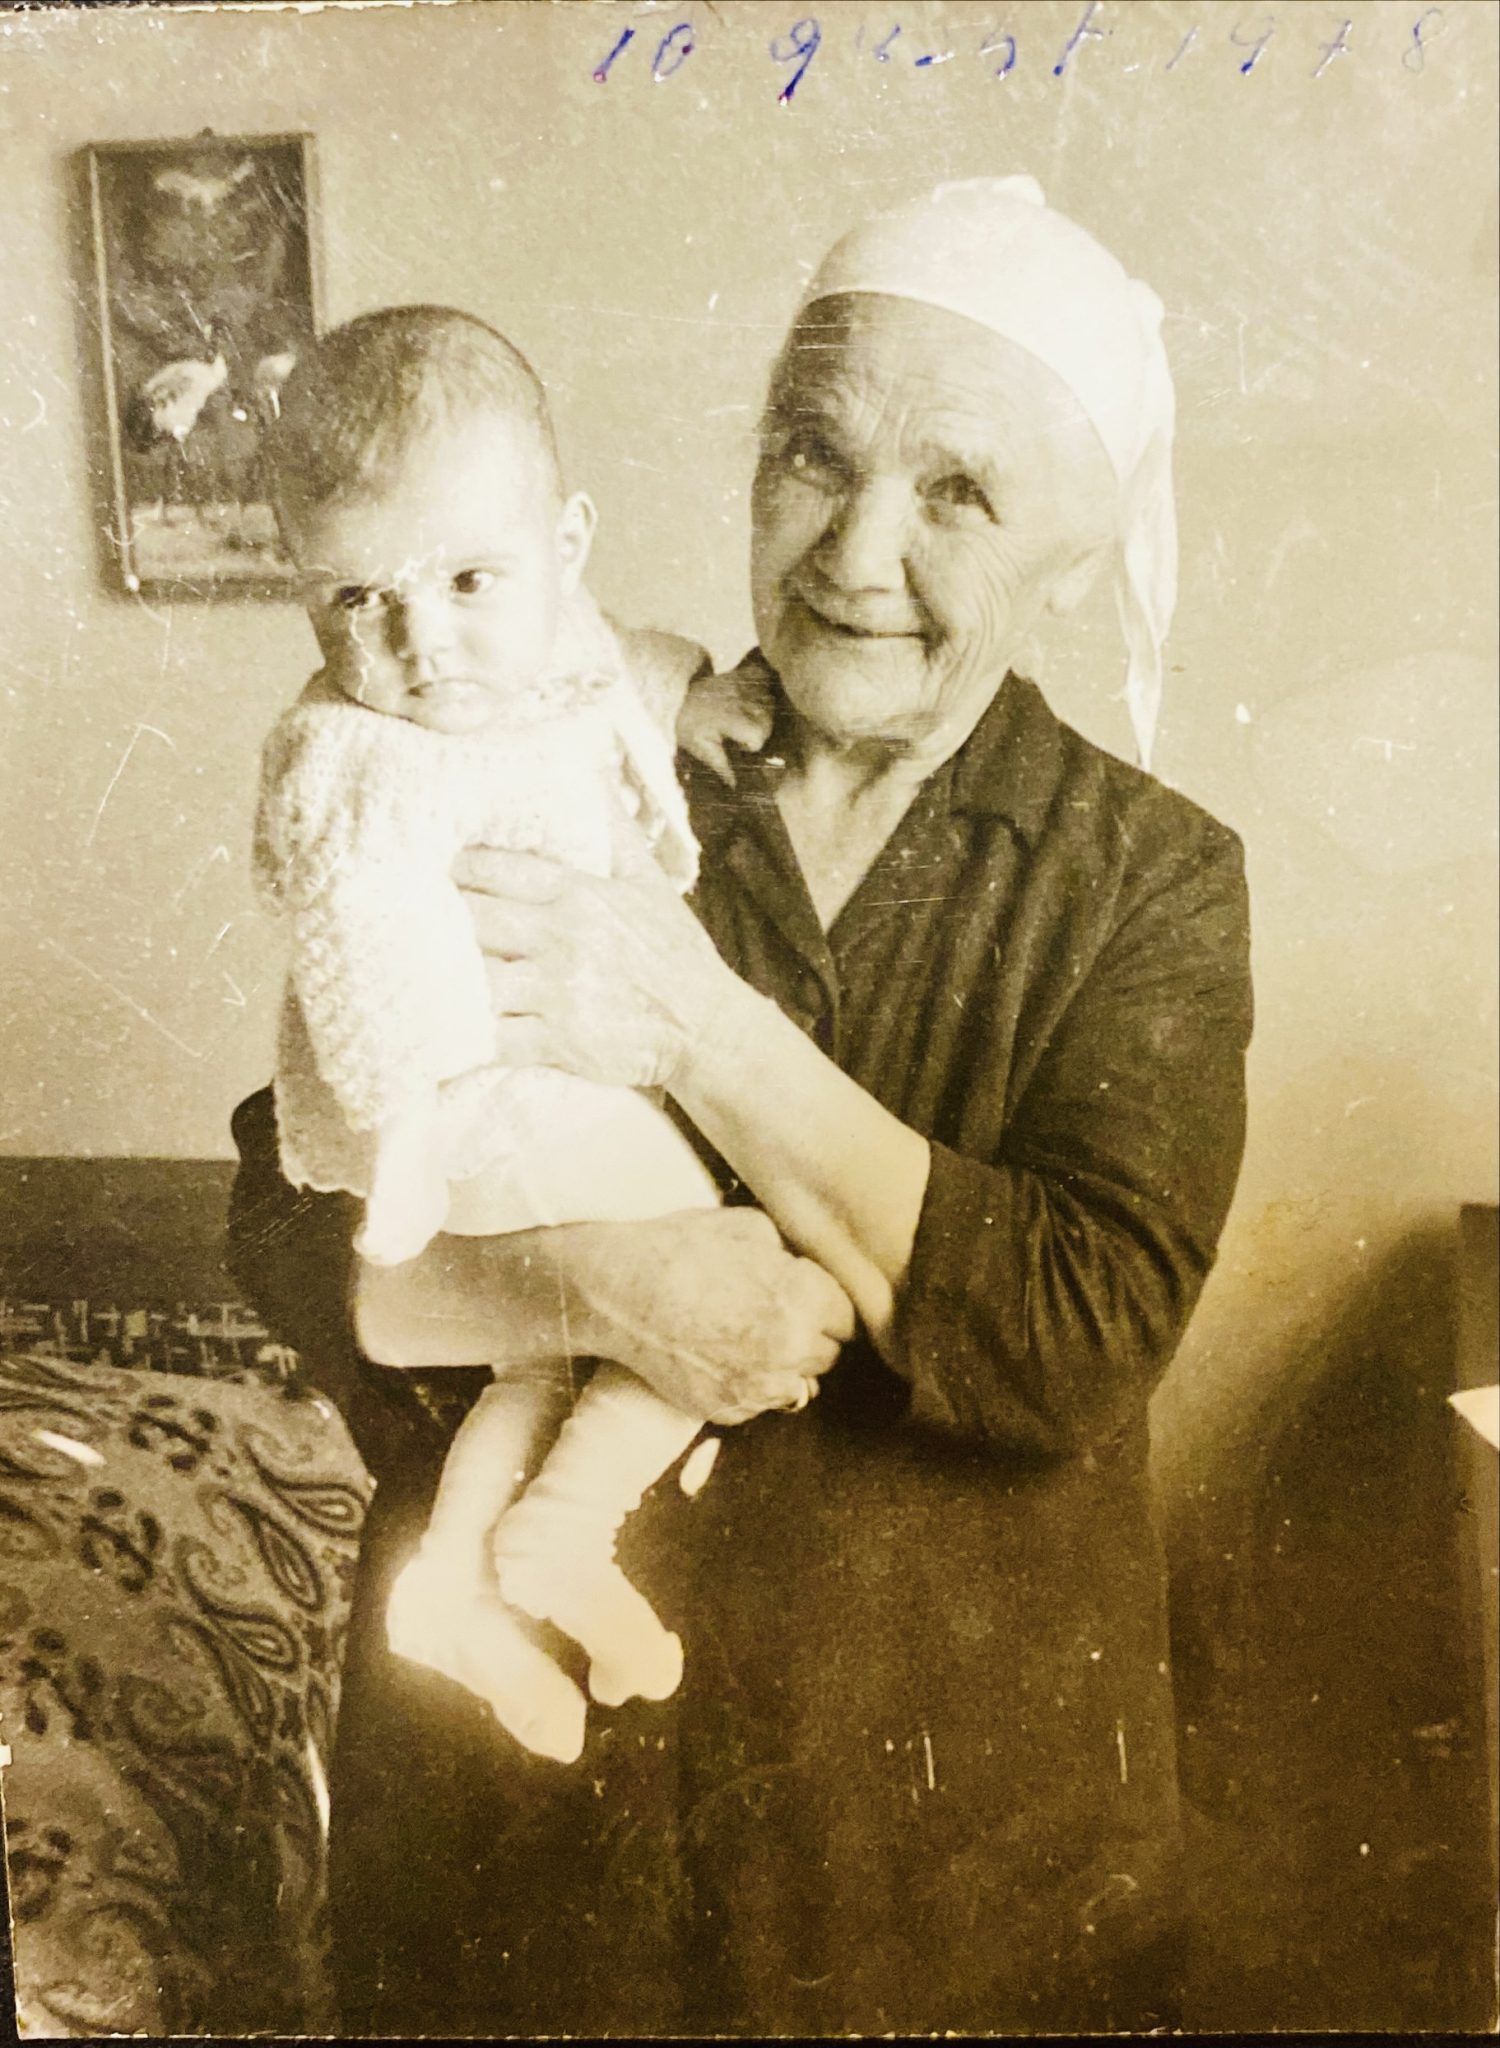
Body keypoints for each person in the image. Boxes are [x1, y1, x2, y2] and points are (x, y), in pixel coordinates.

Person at [228, 175, 1253, 2036]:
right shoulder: (554, 744)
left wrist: (698, 1026)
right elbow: (293, 1221)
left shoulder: (1144, 878)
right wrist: (593, 1287)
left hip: (938, 1878)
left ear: (1075, 555)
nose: (858, 550)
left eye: (958, 491)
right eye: (813, 454)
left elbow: (1079, 1335)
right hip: (523, 1851)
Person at [252, 306, 802, 1765]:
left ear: (566, 547)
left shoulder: (550, 643)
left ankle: (454, 1585)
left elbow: (615, 658)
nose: (420, 643)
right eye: (355, 599)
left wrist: (693, 696)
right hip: (453, 1094)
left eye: (465, 581)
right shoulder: (365, 757)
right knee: (712, 1259)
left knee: (538, 1364)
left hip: (534, 1084)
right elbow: (364, 957)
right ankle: (563, 1531)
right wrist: (411, 1136)